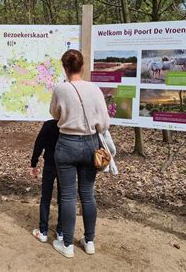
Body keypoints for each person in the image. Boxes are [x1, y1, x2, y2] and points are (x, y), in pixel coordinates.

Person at [49, 49, 110, 258]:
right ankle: (89, 241)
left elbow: (53, 113)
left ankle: (67, 245)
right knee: (87, 194)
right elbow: (104, 123)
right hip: (91, 145)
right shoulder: (95, 89)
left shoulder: (60, 89)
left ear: (65, 68)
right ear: (82, 66)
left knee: (66, 196)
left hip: (66, 143)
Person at [30, 119, 62, 243]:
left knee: (46, 197)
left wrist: (34, 163)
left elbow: (39, 143)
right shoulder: (70, 125)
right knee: (63, 198)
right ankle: (61, 231)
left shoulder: (49, 124)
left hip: (50, 164)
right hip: (66, 166)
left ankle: (43, 231)